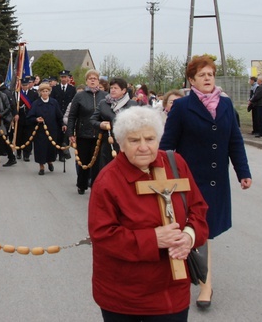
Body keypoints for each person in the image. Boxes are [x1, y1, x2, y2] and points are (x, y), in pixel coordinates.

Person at [89, 107, 209, 320]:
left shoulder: (176, 164)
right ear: (121, 143)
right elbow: (103, 235)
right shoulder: (108, 181)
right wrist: (153, 239)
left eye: (150, 139)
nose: (144, 147)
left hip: (173, 292)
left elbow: (198, 208)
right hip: (126, 297)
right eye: (134, 140)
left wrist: (189, 237)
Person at [160, 55, 253, 309]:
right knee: (193, 232)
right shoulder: (181, 107)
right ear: (191, 80)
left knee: (205, 233)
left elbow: (235, 141)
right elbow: (167, 147)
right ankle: (198, 281)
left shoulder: (225, 105)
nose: (207, 78)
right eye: (202, 75)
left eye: (210, 74)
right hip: (188, 182)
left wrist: (243, 172)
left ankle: (203, 283)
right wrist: (161, 177)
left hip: (216, 182)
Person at [66, 69, 107, 195]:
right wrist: (70, 133)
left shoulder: (105, 96)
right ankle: (82, 184)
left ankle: (95, 185)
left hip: (99, 134)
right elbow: (72, 116)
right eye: (90, 78)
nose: (93, 80)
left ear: (98, 80)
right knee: (84, 160)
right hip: (83, 133)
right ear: (86, 81)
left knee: (97, 162)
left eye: (95, 78)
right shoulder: (79, 96)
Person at [89, 77, 140, 177]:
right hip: (108, 143)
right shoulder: (104, 103)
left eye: (115, 88)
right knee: (107, 171)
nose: (112, 90)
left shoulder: (132, 105)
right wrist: (100, 124)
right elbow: (92, 120)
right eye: (111, 88)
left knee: (125, 171)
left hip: (127, 143)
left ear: (124, 90)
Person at [27, 82, 64, 175]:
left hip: (52, 130)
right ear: (40, 92)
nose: (45, 93)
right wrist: (36, 119)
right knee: (40, 149)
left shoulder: (54, 102)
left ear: (49, 92)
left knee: (51, 148)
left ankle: (50, 162)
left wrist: (63, 125)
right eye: (43, 91)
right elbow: (30, 117)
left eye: (46, 91)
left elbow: (59, 116)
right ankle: (41, 166)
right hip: (40, 131)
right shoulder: (36, 103)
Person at [15, 76, 39, 162]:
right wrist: (16, 114)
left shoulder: (34, 93)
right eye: (23, 85)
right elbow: (14, 106)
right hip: (20, 118)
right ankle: (18, 152)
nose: (25, 86)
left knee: (28, 136)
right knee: (19, 136)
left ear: (29, 85)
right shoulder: (17, 94)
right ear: (21, 85)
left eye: (26, 84)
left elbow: (36, 106)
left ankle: (27, 154)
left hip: (29, 118)